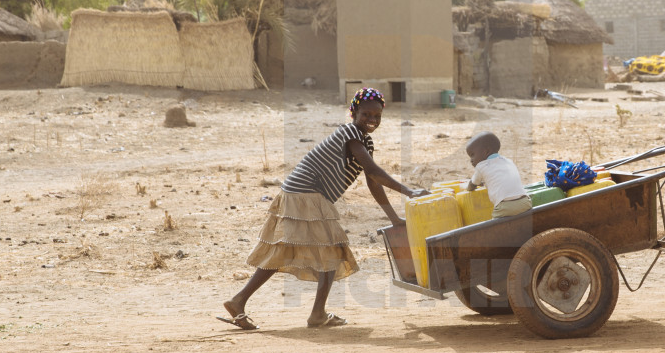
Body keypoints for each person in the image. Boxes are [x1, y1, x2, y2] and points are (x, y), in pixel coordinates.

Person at [219, 87, 429, 329]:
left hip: (301, 194)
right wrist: (409, 191)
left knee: (287, 252)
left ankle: (240, 300)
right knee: (332, 252)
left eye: (377, 116)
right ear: (354, 112)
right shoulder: (351, 133)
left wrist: (394, 218)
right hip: (306, 195)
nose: (372, 120)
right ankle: (315, 314)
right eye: (366, 115)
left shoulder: (363, 140)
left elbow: (373, 182)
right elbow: (373, 172)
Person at [466, 132, 533, 219]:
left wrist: (468, 188)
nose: (471, 160)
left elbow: (472, 184)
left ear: (486, 151)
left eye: (472, 155)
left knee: (495, 227)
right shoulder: (508, 161)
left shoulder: (481, 166)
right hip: (525, 202)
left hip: (505, 206)